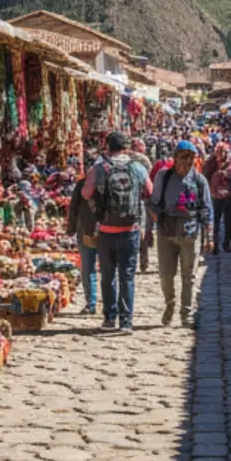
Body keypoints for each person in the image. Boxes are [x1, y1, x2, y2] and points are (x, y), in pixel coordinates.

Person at [83, 132, 152, 333]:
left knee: (107, 275)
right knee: (127, 276)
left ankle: (109, 317)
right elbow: (150, 192)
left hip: (106, 229)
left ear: (108, 147)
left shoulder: (98, 168)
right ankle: (126, 321)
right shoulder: (137, 168)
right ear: (126, 148)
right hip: (130, 230)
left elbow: (86, 193)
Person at [149, 140, 214, 328]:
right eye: (184, 157)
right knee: (166, 274)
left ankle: (186, 312)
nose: (188, 162)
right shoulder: (164, 177)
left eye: (192, 158)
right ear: (175, 158)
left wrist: (209, 236)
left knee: (189, 275)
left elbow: (207, 209)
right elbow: (154, 202)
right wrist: (154, 218)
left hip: (190, 232)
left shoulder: (199, 181)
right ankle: (170, 303)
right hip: (166, 232)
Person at [68, 157, 100, 315]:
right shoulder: (108, 184)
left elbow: (74, 208)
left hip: (86, 229)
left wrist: (71, 228)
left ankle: (91, 303)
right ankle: (110, 303)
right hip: (107, 230)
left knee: (88, 267)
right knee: (108, 269)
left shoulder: (83, 184)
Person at [204, 143, 231, 255]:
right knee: (215, 221)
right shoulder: (211, 164)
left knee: (227, 221)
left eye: (223, 152)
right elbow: (205, 177)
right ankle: (214, 244)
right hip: (215, 197)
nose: (220, 154)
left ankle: (226, 243)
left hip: (226, 197)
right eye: (219, 152)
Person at [130, 140, 154, 273]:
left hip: (126, 201)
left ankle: (131, 260)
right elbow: (149, 185)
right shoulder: (143, 161)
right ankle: (143, 260)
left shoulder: (125, 160)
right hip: (141, 199)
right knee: (142, 230)